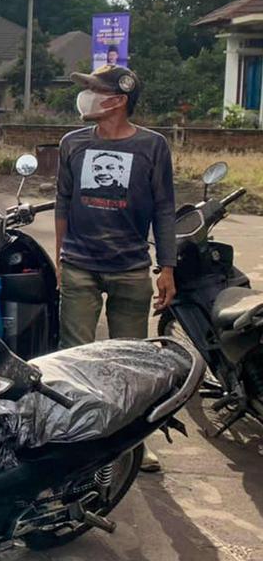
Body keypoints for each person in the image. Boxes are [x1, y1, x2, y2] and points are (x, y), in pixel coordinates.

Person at [55, 65, 176, 473]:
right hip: (79, 267)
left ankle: (131, 444)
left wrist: (167, 267)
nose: (85, 97)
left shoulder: (152, 146)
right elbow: (62, 203)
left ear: (118, 100)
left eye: (93, 90)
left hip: (130, 268)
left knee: (131, 364)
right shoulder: (72, 144)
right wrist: (61, 258)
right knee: (75, 357)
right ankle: (74, 436)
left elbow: (164, 209)